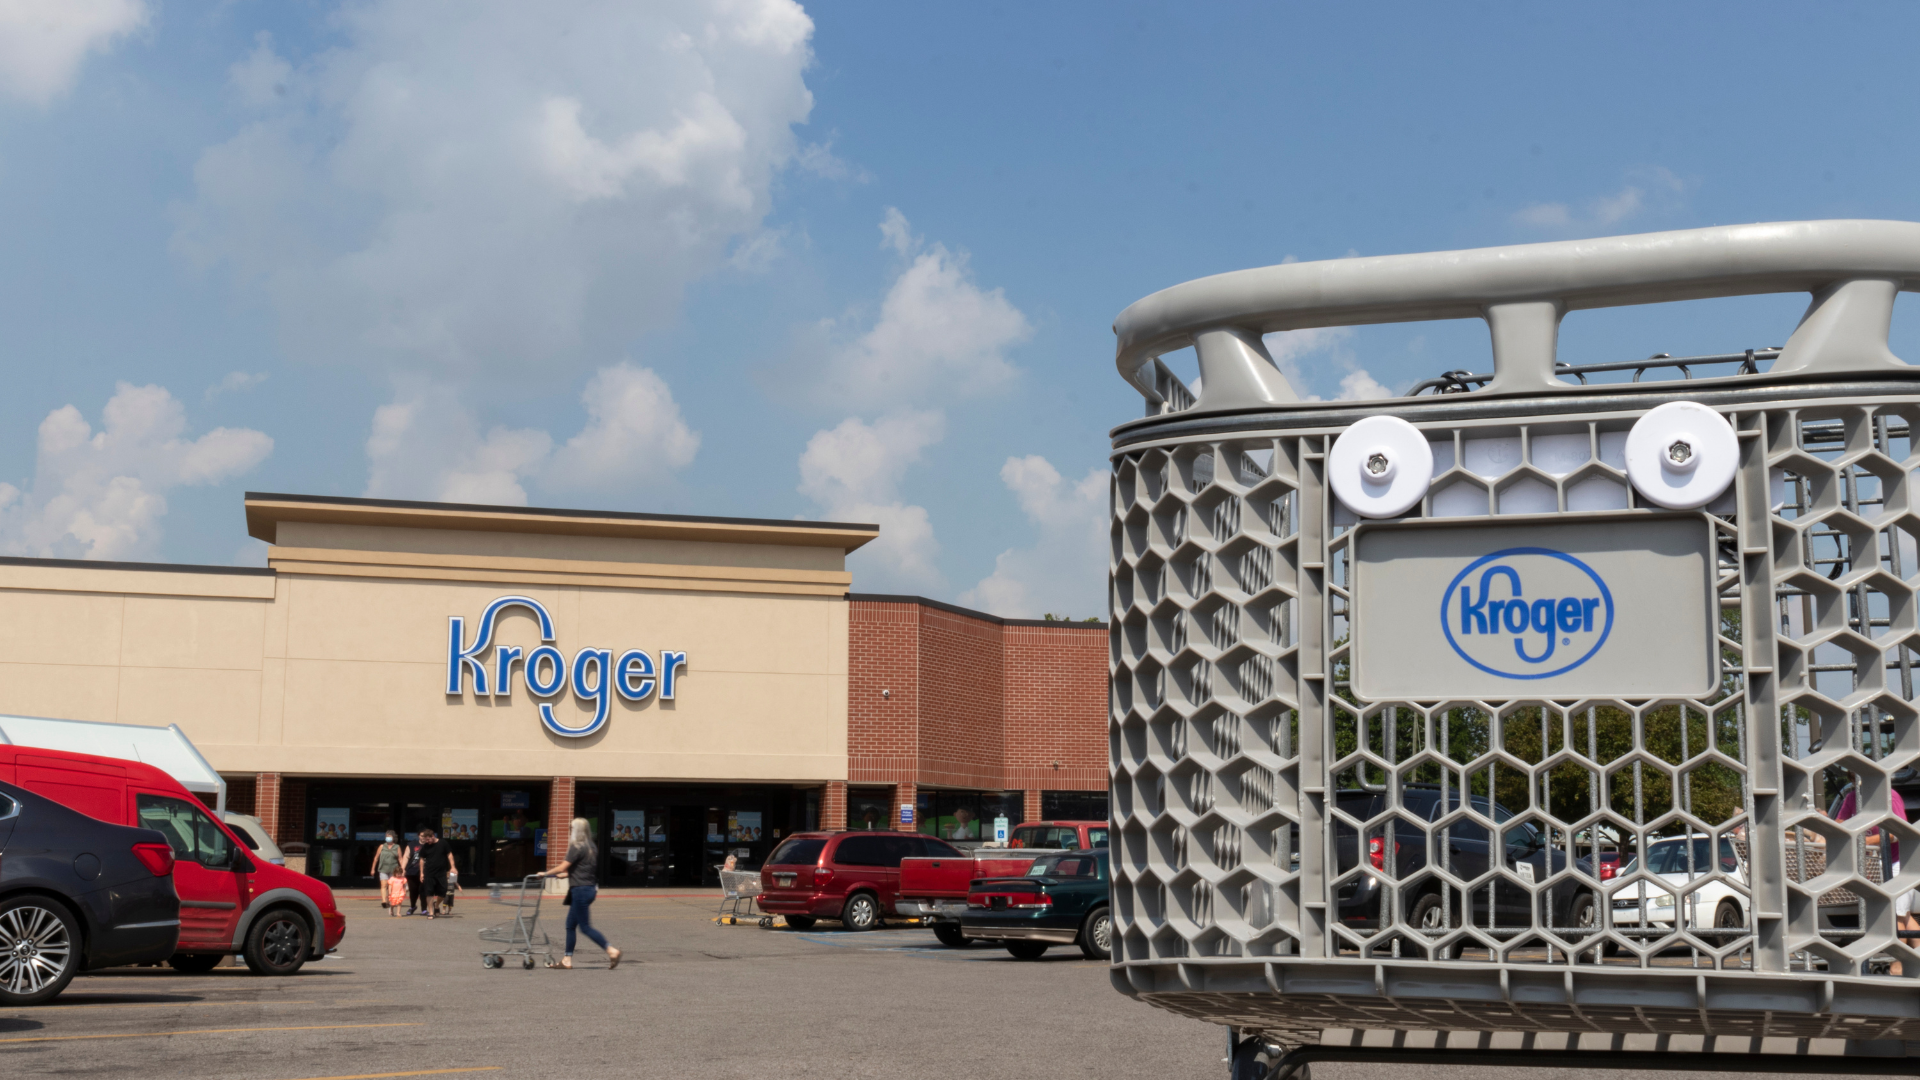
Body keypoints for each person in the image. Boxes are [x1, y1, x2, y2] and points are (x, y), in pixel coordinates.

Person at [1833, 774, 1917, 968]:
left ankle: (1899, 964)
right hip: (1873, 863)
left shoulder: (1889, 796)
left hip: (1898, 863)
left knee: (1895, 915)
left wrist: (1863, 840)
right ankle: (1915, 957)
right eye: (1852, 778)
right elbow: (1839, 822)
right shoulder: (1853, 798)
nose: (1856, 783)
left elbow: (1899, 830)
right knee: (1903, 915)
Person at [537, 817, 621, 970]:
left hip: (580, 890)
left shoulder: (577, 846)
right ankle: (567, 960)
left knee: (585, 927)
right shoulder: (591, 846)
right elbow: (583, 869)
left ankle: (611, 950)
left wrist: (545, 873)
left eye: (571, 828)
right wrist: (567, 875)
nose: (569, 831)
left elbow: (563, 866)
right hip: (589, 889)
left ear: (576, 830)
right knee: (570, 925)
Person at [417, 828, 457, 919]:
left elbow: (449, 854)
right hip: (429, 873)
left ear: (433, 836)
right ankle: (431, 912)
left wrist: (453, 867)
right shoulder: (425, 846)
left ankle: (436, 905)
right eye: (425, 840)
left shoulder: (443, 843)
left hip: (441, 873)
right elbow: (422, 859)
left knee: (443, 892)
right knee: (429, 893)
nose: (427, 841)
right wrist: (421, 873)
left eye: (428, 839)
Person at [371, 831, 405, 917]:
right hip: (383, 868)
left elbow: (400, 859)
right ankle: (384, 901)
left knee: (393, 886)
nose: (387, 838)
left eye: (389, 836)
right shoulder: (382, 846)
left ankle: (392, 900)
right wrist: (373, 869)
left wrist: (403, 869)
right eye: (386, 836)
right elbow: (376, 858)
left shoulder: (397, 847)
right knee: (383, 885)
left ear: (393, 837)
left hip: (394, 870)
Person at [403, 832, 426, 915]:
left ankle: (424, 909)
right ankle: (412, 906)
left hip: (425, 872)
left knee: (423, 891)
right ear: (418, 836)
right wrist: (403, 868)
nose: (423, 837)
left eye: (425, 836)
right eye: (422, 836)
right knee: (413, 891)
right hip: (412, 871)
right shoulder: (411, 845)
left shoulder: (429, 845)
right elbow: (406, 856)